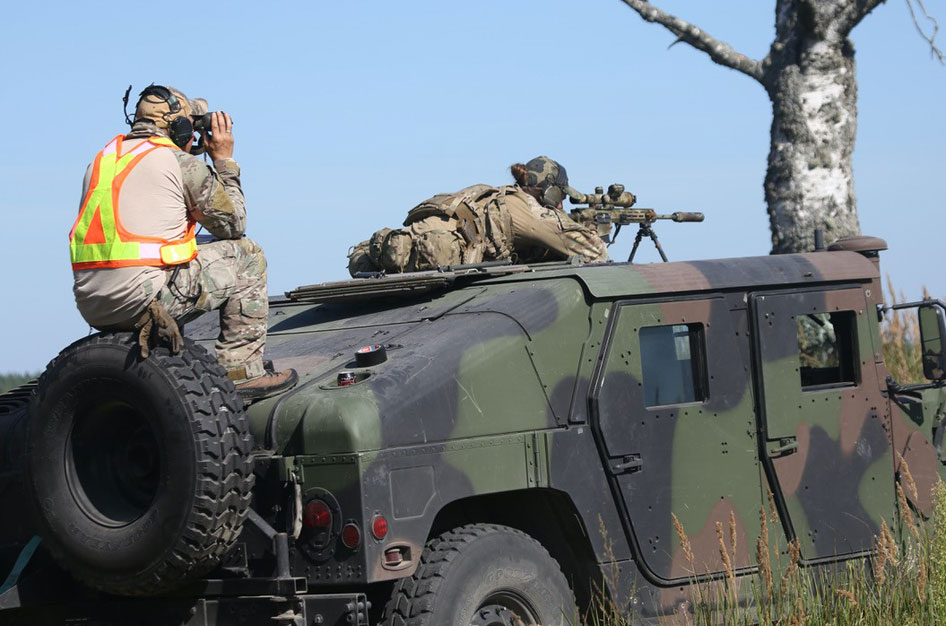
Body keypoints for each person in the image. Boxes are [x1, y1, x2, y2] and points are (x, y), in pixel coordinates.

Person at [68, 84, 297, 400]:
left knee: (189, 247)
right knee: (248, 256)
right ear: (180, 126)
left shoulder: (102, 160)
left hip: (94, 305)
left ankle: (169, 364)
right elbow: (233, 225)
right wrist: (224, 162)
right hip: (144, 298)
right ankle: (241, 372)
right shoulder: (178, 162)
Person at [347, 156, 608, 276]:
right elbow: (595, 253)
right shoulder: (527, 211)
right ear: (550, 193)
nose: (560, 204)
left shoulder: (492, 195)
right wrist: (589, 228)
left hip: (413, 239)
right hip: (437, 249)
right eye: (560, 197)